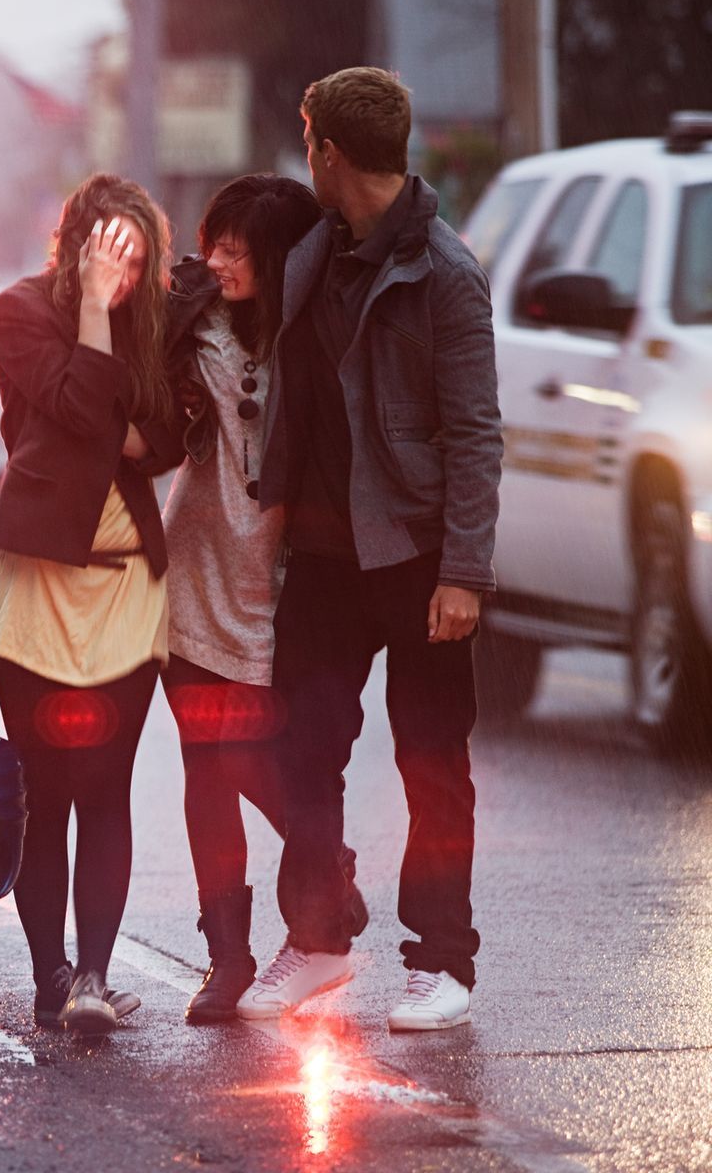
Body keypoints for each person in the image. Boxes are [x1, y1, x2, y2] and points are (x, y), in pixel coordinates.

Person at [236, 68, 502, 1031]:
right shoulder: (315, 248)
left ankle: (443, 963)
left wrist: (465, 572)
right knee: (305, 748)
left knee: (433, 763)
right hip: (323, 555)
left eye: (307, 141)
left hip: (418, 557)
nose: (304, 157)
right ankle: (315, 945)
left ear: (330, 151)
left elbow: (475, 433)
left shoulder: (444, 274)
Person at [0, 173, 182, 1035]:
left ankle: (94, 977)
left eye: (136, 258)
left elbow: (166, 437)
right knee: (42, 788)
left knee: (106, 786)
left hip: (128, 586)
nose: (121, 275)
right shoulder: (16, 313)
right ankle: (51, 978)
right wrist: (94, 317)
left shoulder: (155, 329)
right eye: (108, 253)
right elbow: (90, 407)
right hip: (36, 582)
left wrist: (112, 412)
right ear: (77, 246)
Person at [158, 174, 348, 1023]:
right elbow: (143, 344)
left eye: (239, 247)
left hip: (279, 581)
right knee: (206, 764)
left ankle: (323, 866)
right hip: (194, 572)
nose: (221, 258)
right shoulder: (194, 324)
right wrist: (188, 286)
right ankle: (227, 956)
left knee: (259, 759)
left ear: (280, 261)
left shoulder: (315, 336)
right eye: (215, 241)